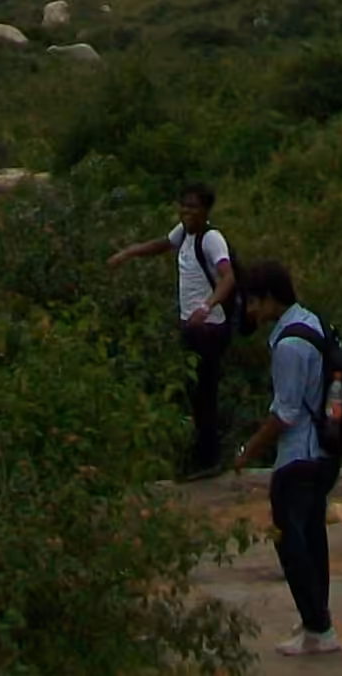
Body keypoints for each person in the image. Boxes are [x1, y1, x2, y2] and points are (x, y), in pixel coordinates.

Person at [226, 255, 342, 656]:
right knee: (312, 540)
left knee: (291, 544)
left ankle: (319, 629)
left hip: (299, 458)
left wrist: (248, 451)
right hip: (325, 453)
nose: (250, 310)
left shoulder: (288, 345)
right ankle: (317, 621)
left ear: (271, 298)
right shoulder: (313, 322)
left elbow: (285, 414)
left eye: (253, 301)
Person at [106, 183, 237, 476]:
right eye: (183, 205)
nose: (186, 211)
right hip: (191, 326)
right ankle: (201, 456)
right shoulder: (184, 233)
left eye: (193, 207)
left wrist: (207, 307)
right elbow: (161, 244)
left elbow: (228, 277)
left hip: (209, 329)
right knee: (193, 393)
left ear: (206, 210)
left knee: (204, 394)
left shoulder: (211, 239)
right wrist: (128, 253)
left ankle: (209, 460)